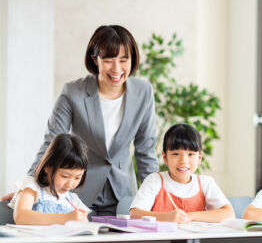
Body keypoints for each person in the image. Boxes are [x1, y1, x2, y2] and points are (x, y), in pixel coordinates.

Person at [2, 25, 159, 215]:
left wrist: (157, 198)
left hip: (123, 195)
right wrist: (29, 186)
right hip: (78, 192)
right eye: (108, 60)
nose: (117, 69)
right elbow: (52, 142)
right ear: (95, 59)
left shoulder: (143, 92)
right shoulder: (72, 93)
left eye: (124, 60)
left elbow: (146, 152)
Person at [130, 123, 235, 224]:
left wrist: (190, 216)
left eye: (191, 154)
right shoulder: (155, 180)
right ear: (165, 157)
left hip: (194, 241)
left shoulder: (205, 183)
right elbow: (134, 214)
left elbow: (229, 214)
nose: (183, 161)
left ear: (199, 158)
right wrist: (166, 217)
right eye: (176, 154)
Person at [9, 134, 90, 225]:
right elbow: (21, 217)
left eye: (77, 177)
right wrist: (65, 218)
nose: (70, 184)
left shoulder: (73, 200)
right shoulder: (31, 187)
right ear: (47, 167)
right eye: (65, 176)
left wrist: (82, 221)